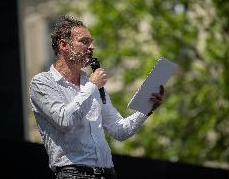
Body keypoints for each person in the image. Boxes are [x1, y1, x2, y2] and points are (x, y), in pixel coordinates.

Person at [29, 16, 164, 179]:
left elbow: (119, 130)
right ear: (64, 45)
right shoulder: (42, 83)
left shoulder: (91, 84)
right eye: (84, 42)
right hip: (74, 175)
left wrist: (146, 108)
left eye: (91, 42)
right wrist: (92, 86)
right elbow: (65, 121)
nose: (91, 47)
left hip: (108, 173)